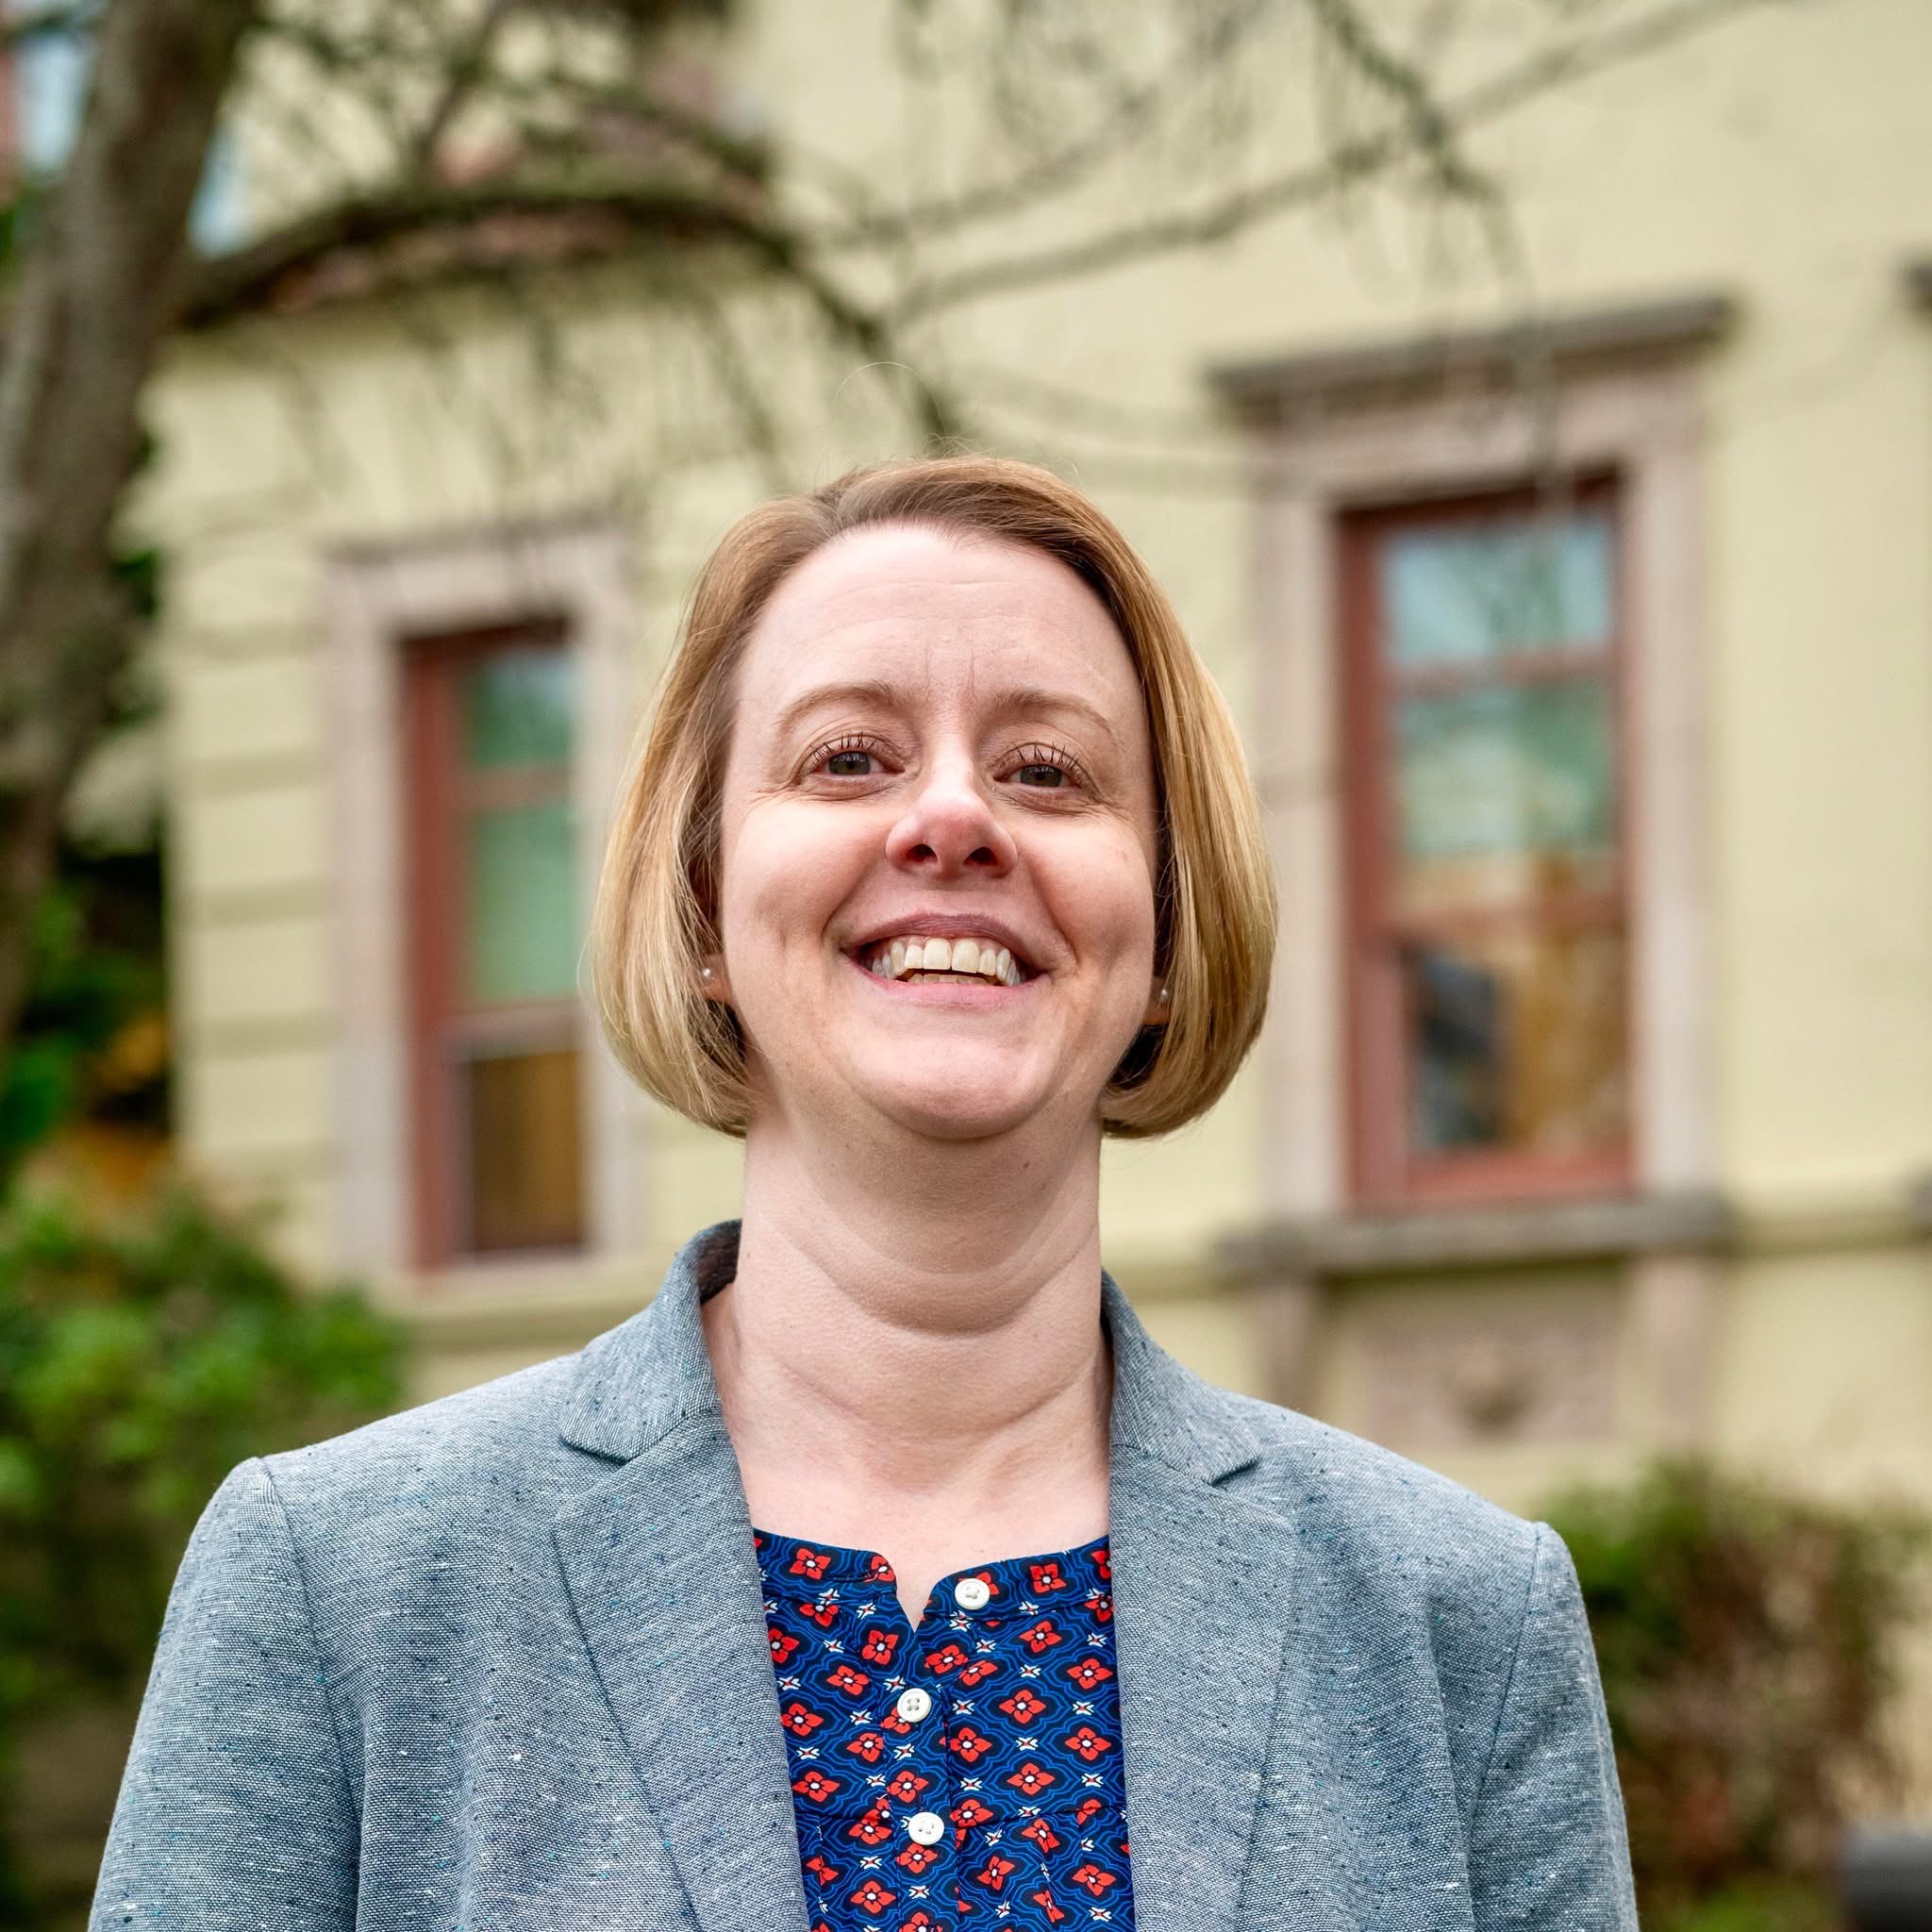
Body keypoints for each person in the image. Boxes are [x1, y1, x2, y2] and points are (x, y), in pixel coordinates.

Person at [92, 456, 1639, 1931]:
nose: (952, 818)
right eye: (849, 758)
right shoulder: (336, 1592)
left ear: (1166, 932)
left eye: (1049, 770)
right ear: (702, 904)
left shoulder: (1460, 1629)